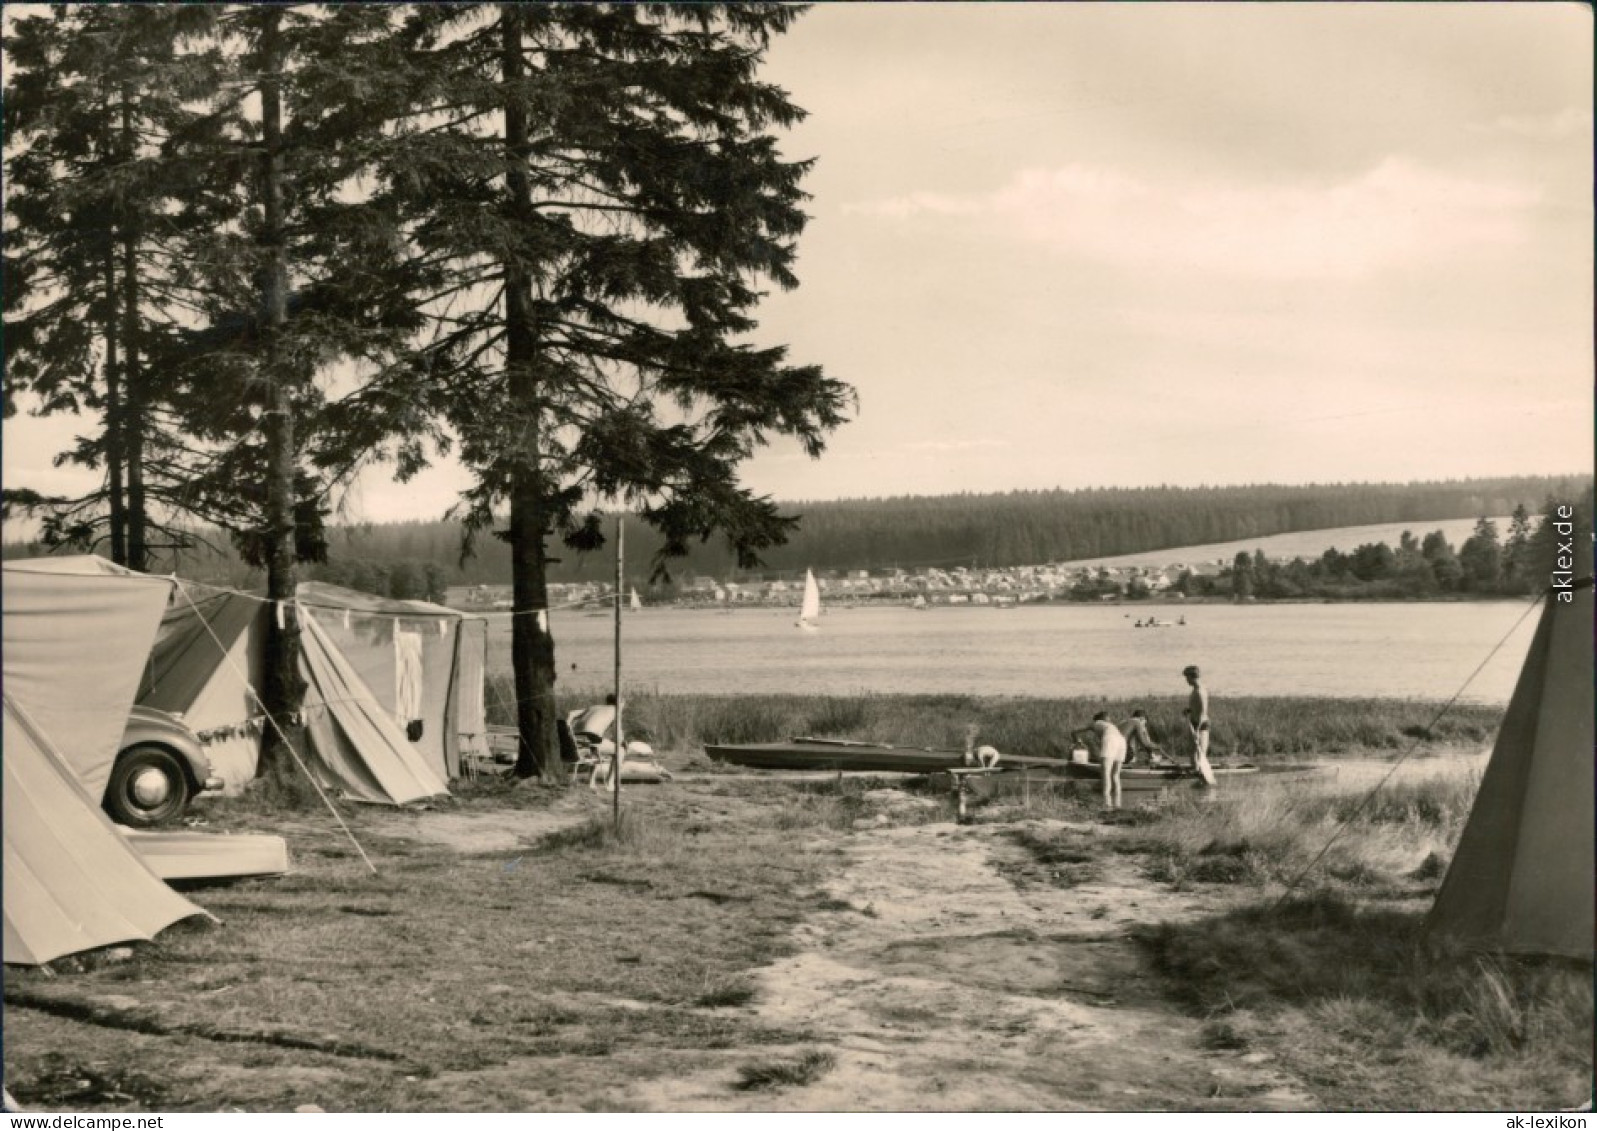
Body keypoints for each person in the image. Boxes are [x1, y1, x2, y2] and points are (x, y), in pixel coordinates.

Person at [1072, 711, 1127, 809]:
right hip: (1122, 741)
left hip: (1111, 739)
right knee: (1115, 775)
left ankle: (1107, 803)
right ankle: (1118, 804)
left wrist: (1077, 740)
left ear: (1098, 719)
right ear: (1106, 719)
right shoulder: (1111, 726)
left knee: (1106, 772)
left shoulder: (1096, 723)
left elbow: (1074, 731)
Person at [1182, 665, 1217, 787]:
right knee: (1192, 752)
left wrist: (1197, 730)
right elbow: (1195, 708)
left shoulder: (1201, 692)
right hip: (1194, 723)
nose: (1186, 681)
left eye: (1187, 678)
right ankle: (1196, 778)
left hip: (1201, 725)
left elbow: (1203, 712)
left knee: (1200, 754)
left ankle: (1205, 781)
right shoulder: (1194, 690)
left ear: (1193, 677)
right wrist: (1188, 711)